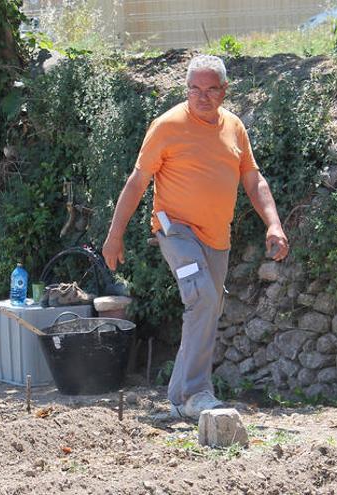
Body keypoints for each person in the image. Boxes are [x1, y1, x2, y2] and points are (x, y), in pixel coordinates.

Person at [102, 55, 289, 419]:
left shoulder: (234, 127)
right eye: (194, 89)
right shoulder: (167, 126)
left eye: (210, 89)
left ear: (224, 91)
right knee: (202, 296)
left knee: (207, 308)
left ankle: (177, 399)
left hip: (217, 238)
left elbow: (253, 179)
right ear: (186, 90)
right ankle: (197, 393)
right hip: (175, 230)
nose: (201, 96)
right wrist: (115, 236)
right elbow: (138, 182)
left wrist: (274, 223)